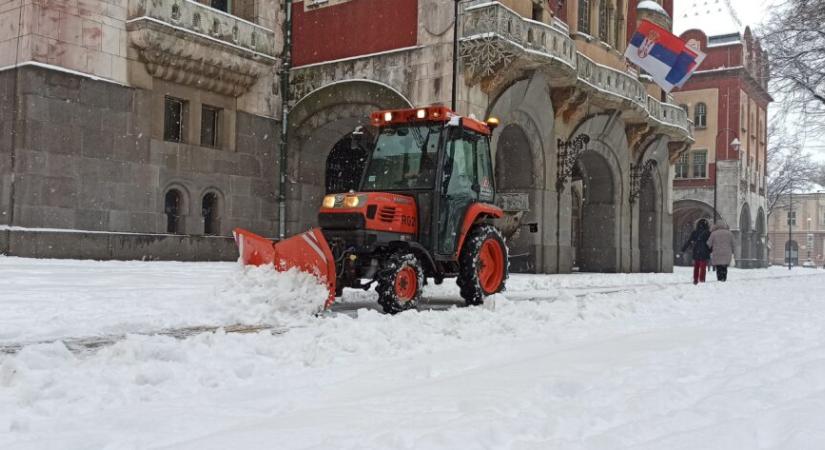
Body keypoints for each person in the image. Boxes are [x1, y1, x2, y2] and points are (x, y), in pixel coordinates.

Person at [681, 219, 711, 284]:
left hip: (696, 249)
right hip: (705, 250)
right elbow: (710, 243)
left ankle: (695, 279)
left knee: (696, 265)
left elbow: (689, 241)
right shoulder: (708, 233)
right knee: (703, 265)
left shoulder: (695, 232)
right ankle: (702, 279)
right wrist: (710, 250)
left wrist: (683, 249)